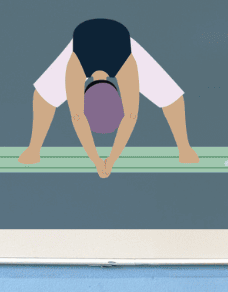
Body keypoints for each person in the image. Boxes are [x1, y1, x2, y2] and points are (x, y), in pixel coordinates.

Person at [17, 18, 198, 177]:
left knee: (44, 97)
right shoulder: (117, 64)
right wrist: (107, 161)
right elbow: (129, 115)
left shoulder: (83, 65)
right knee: (169, 96)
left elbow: (78, 116)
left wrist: (100, 161)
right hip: (103, 39)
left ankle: (34, 150)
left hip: (109, 40)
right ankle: (184, 149)